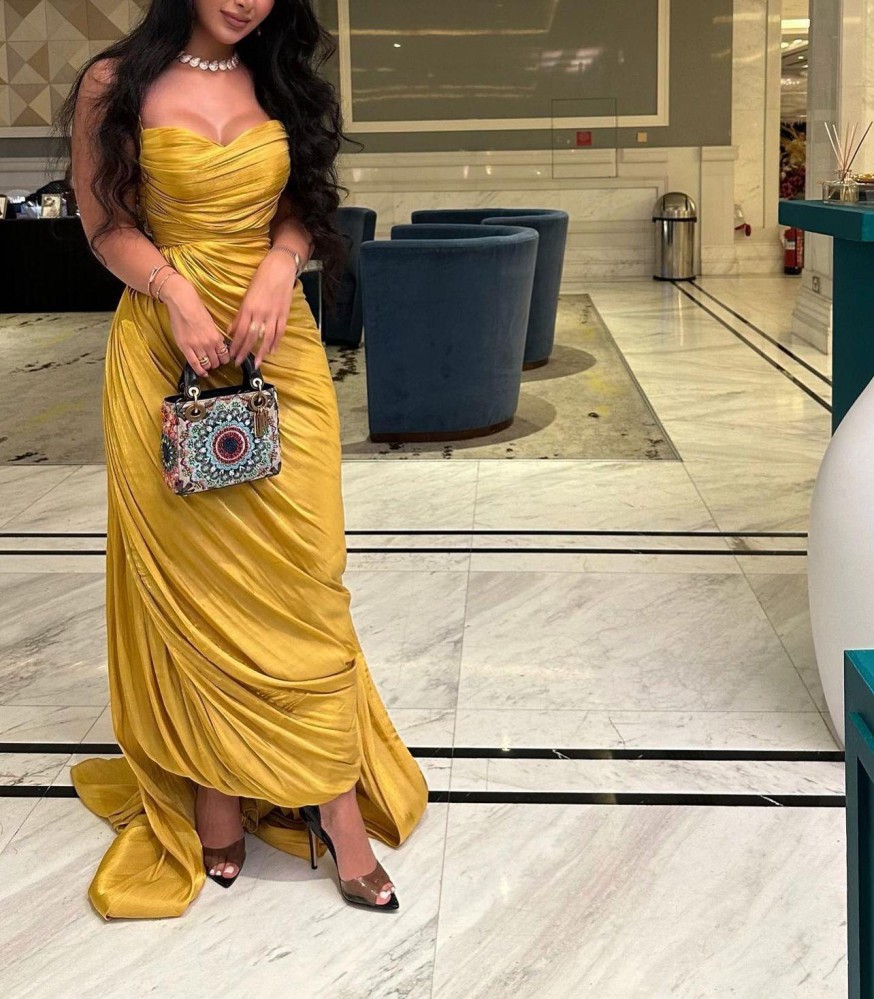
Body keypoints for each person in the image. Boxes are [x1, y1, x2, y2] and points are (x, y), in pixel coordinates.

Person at [58, 0, 428, 920]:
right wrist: (174, 290)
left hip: (277, 350)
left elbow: (304, 204)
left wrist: (278, 264)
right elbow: (103, 223)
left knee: (307, 582)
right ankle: (213, 788)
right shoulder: (114, 82)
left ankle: (336, 805)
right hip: (165, 352)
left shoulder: (281, 73)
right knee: (196, 586)